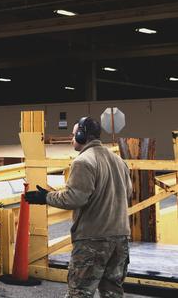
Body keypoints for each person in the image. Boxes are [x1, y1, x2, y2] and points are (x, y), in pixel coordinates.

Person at [25, 117, 132, 298]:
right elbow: (127, 192)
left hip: (93, 240)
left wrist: (46, 197)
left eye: (74, 134)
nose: (71, 137)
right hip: (120, 239)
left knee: (80, 292)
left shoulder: (83, 161)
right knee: (113, 292)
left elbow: (74, 198)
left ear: (83, 135)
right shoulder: (118, 160)